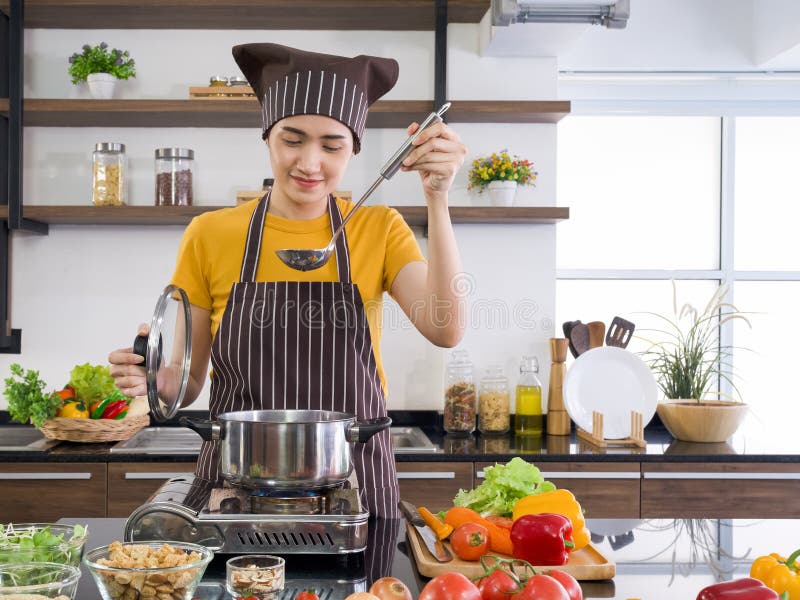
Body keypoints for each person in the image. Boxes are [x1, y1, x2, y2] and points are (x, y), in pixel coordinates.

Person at [108, 43, 467, 519]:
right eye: (292, 140)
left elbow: (446, 328)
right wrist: (154, 377)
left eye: (332, 145)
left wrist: (437, 199)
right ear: (267, 138)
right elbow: (189, 380)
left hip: (351, 484)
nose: (310, 163)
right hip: (237, 484)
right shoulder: (210, 233)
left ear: (354, 148)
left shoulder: (378, 228)